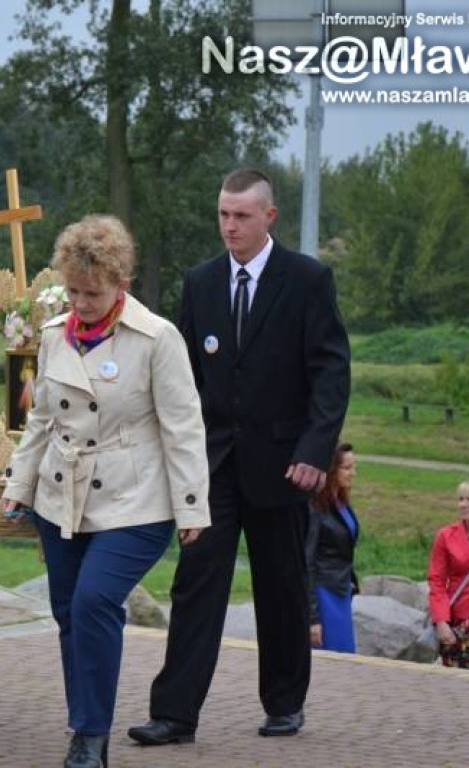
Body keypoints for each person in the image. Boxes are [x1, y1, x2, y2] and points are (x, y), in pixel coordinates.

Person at [129, 168, 350, 746]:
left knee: (280, 587)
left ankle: (284, 703)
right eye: (224, 214)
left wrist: (315, 451)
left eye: (242, 216)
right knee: (196, 583)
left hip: (284, 465)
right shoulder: (200, 283)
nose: (230, 226)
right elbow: (178, 378)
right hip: (214, 465)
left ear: (269, 217)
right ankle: (175, 714)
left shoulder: (306, 279)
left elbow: (330, 372)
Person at [0, 215, 211, 768]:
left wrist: (192, 505)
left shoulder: (157, 338)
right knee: (69, 612)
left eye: (93, 292)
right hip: (60, 496)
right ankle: (81, 726)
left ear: (120, 281)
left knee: (96, 602)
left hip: (135, 501)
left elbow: (184, 427)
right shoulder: (52, 337)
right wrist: (19, 485)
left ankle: (92, 738)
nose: (82, 301)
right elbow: (40, 421)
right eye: (72, 290)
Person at [306, 443, 360, 653]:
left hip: (342, 590)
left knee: (346, 656)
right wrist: (313, 618)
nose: (352, 473)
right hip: (324, 594)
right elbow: (307, 561)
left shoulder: (342, 503)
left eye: (354, 467)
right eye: (347, 468)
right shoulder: (316, 508)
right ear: (331, 471)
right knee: (331, 657)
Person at [427, 480, 469, 669]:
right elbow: (436, 581)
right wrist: (441, 621)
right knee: (452, 683)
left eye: (468, 499)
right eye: (460, 499)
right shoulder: (445, 536)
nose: (463, 504)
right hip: (456, 626)